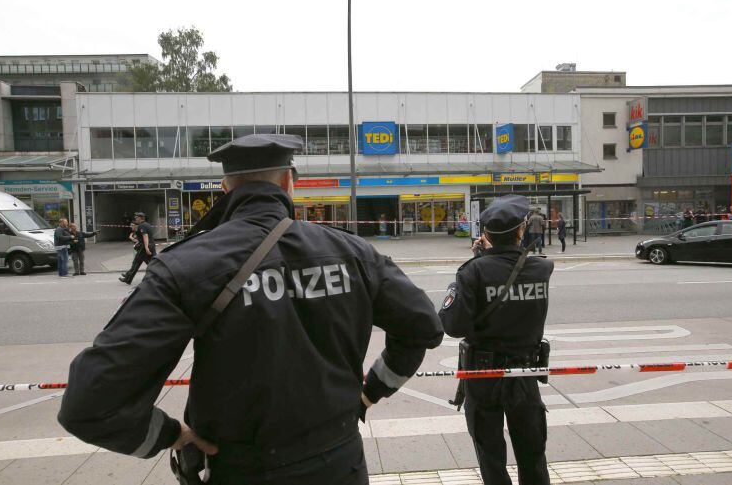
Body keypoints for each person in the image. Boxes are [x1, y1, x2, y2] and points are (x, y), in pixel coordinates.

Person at [58, 133, 443, 485]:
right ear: (291, 182)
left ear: (225, 188)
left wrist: (171, 435)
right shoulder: (354, 253)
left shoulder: (186, 265)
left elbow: (89, 403)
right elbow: (423, 327)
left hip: (242, 469)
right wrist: (369, 393)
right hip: (340, 463)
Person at [439, 195, 554, 485]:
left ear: (485, 234)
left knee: (491, 458)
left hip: (483, 376)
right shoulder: (541, 268)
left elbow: (453, 325)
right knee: (533, 456)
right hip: (525, 374)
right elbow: (508, 272)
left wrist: (476, 265)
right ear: (521, 230)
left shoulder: (472, 272)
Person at [119, 212, 156, 285]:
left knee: (136, 263)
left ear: (140, 218)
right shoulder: (148, 225)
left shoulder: (141, 226)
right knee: (154, 263)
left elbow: (145, 236)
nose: (135, 219)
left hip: (144, 247)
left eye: (136, 217)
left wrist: (146, 248)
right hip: (151, 246)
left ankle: (128, 279)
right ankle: (159, 276)